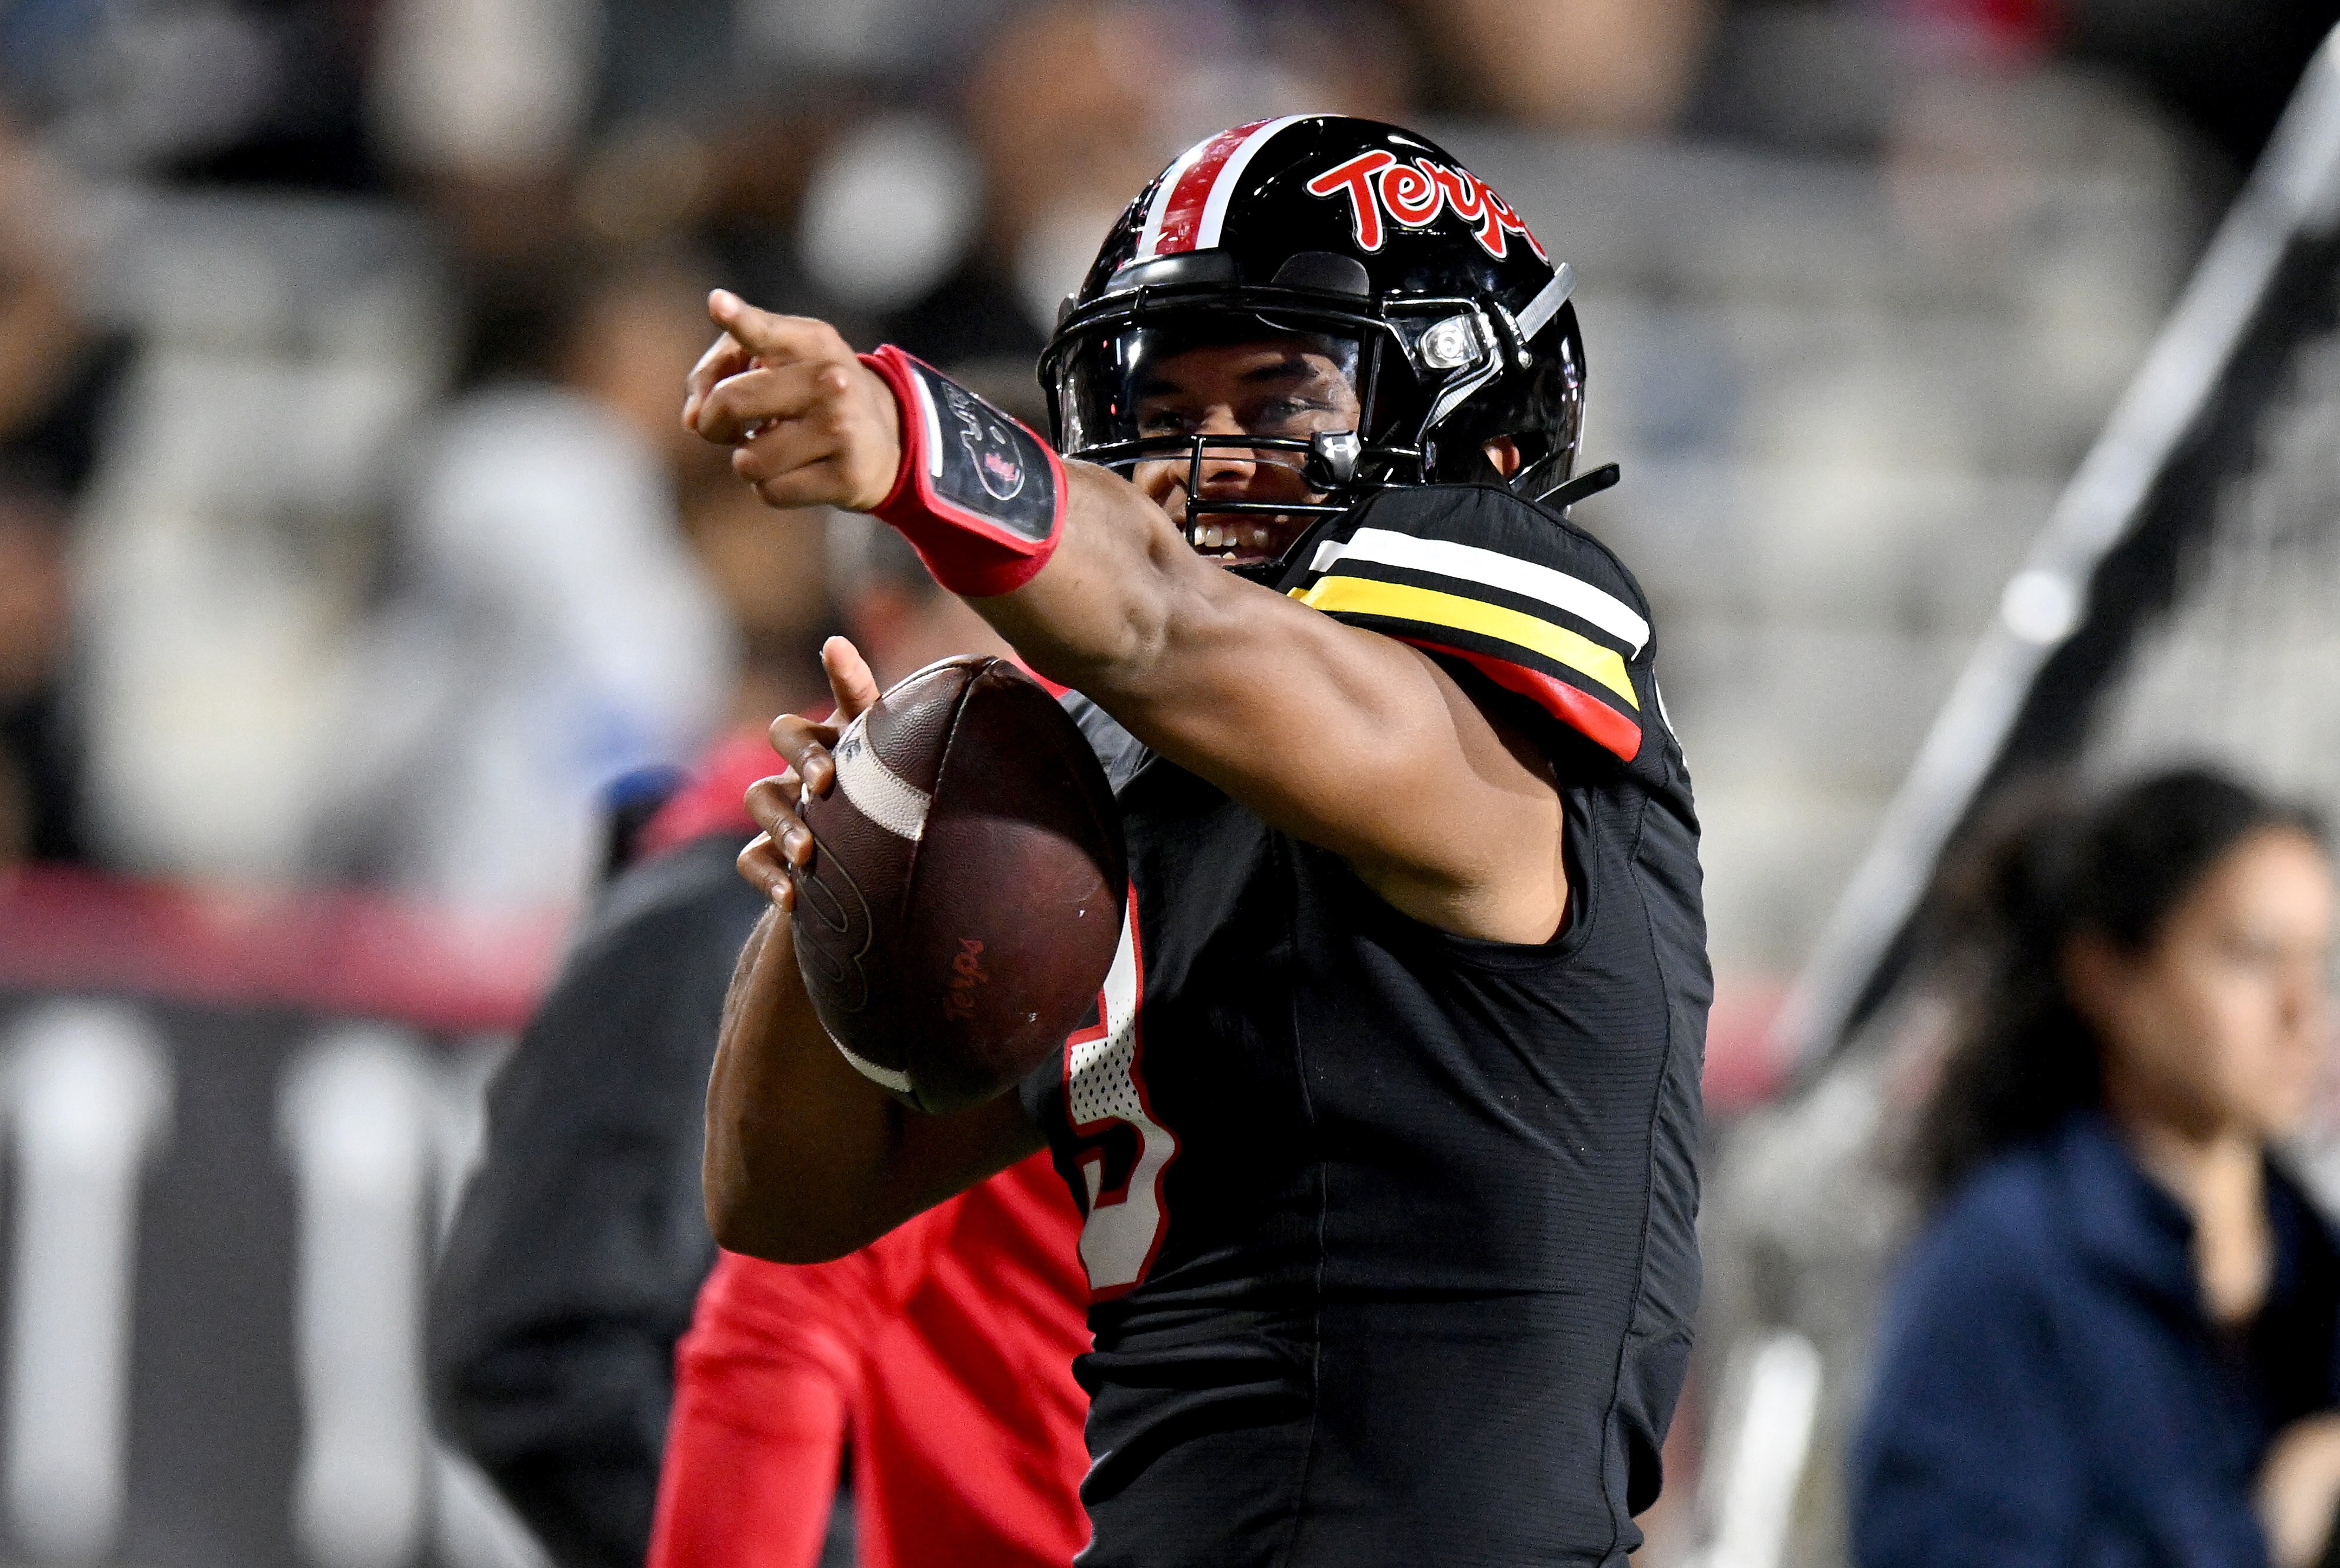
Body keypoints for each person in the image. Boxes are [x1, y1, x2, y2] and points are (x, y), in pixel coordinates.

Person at [691, 115, 1709, 1566]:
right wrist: (846, 871)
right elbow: (782, 1193)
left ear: (1473, 431)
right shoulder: (1110, 790)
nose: (1205, 454)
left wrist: (912, 436)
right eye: (1162, 407)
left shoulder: (1497, 726)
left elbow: (1166, 617)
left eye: (1278, 397)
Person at [429, 519, 1089, 1568]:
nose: (1075, 683)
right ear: (883, 618)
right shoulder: (730, 912)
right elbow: (561, 1355)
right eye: (1032, 621)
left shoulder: (1087, 909)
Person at [1852, 768, 2340, 1568]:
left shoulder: (2309, 1260)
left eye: (2315, 960)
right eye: (2250, 957)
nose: (2303, 1009)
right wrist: (2260, 1533)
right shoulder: (2002, 1266)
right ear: (2105, 973)